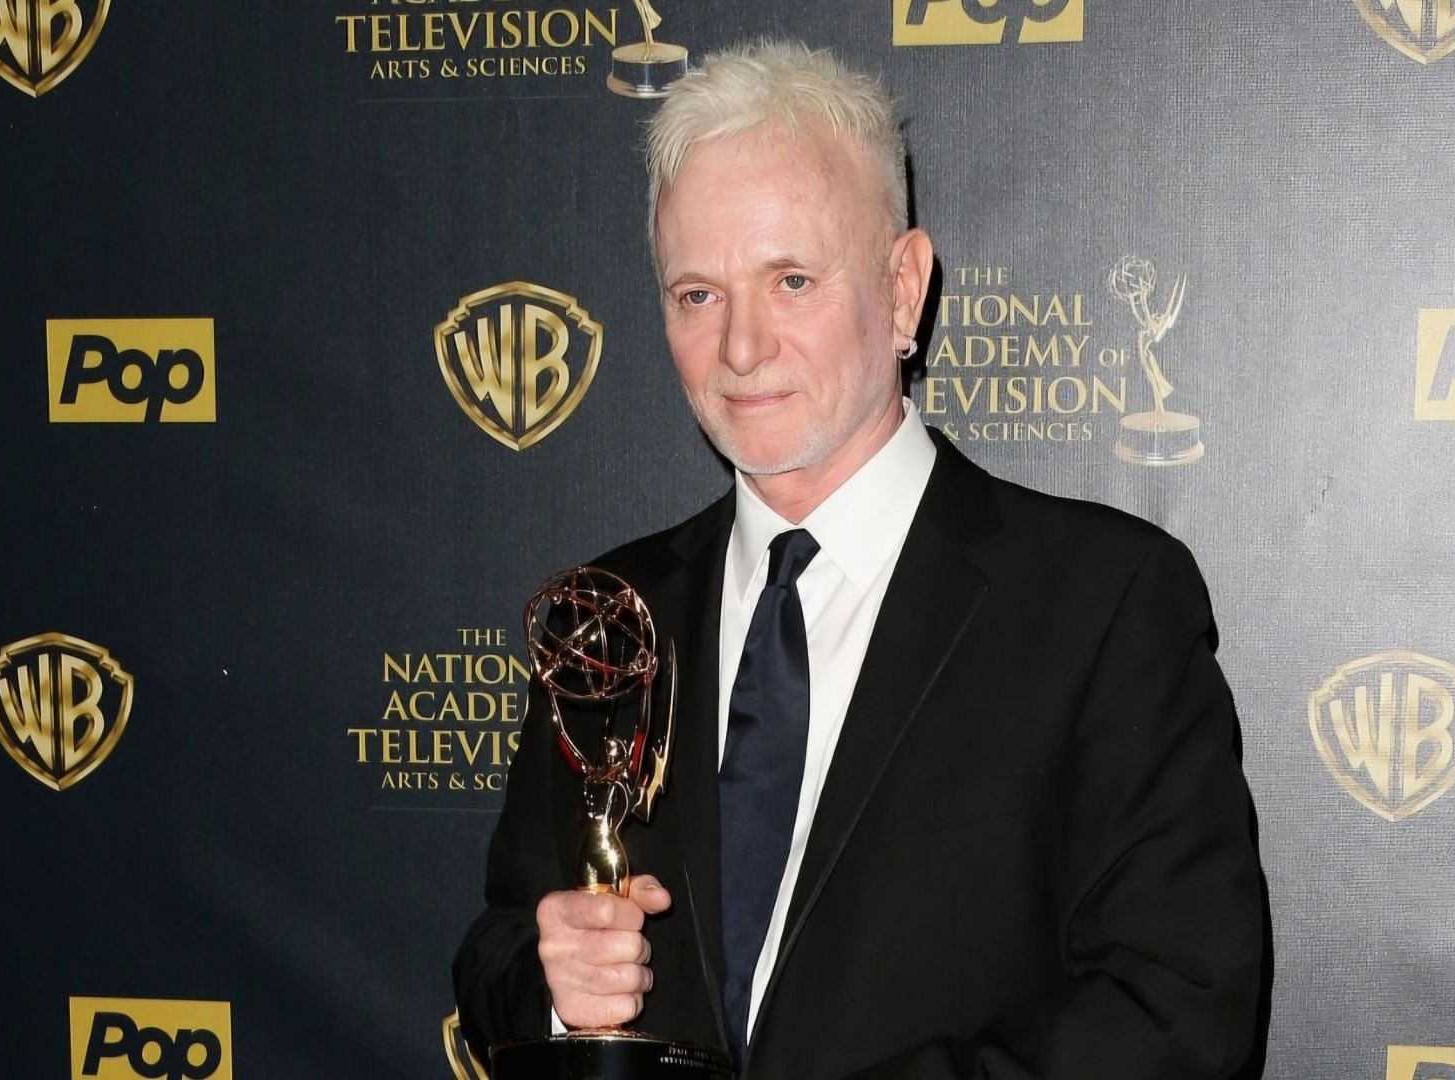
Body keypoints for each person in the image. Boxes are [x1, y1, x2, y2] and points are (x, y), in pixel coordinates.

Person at [454, 38, 1266, 1079]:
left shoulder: (1100, 604)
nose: (740, 348)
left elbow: (1178, 1013)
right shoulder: (613, 618)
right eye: (697, 294)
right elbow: (497, 949)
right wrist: (557, 985)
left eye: (790, 280)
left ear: (903, 287)